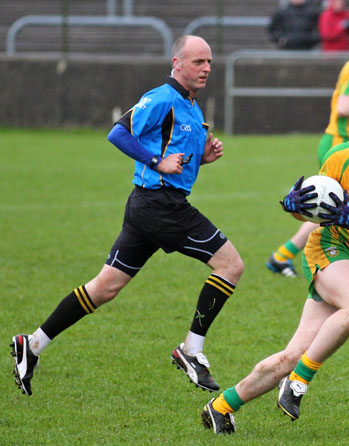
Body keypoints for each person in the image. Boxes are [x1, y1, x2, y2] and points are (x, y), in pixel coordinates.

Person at [10, 35, 244, 397]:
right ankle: (191, 350)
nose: (207, 69)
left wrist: (203, 158)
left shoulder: (191, 105)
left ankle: (34, 343)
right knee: (230, 265)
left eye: (209, 62)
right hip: (160, 206)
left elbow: (175, 156)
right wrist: (155, 162)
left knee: (105, 287)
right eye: (198, 62)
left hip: (148, 206)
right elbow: (118, 132)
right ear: (177, 63)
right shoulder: (162, 97)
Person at [201, 86, 349, 434]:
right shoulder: (342, 156)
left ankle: (221, 406)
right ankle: (299, 382)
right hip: (330, 247)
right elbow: (318, 213)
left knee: (290, 356)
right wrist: (294, 208)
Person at [267, 25, 349, 278]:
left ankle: (283, 256)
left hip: (348, 145)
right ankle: (291, 256)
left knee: (334, 205)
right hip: (339, 145)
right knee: (329, 205)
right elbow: (344, 106)